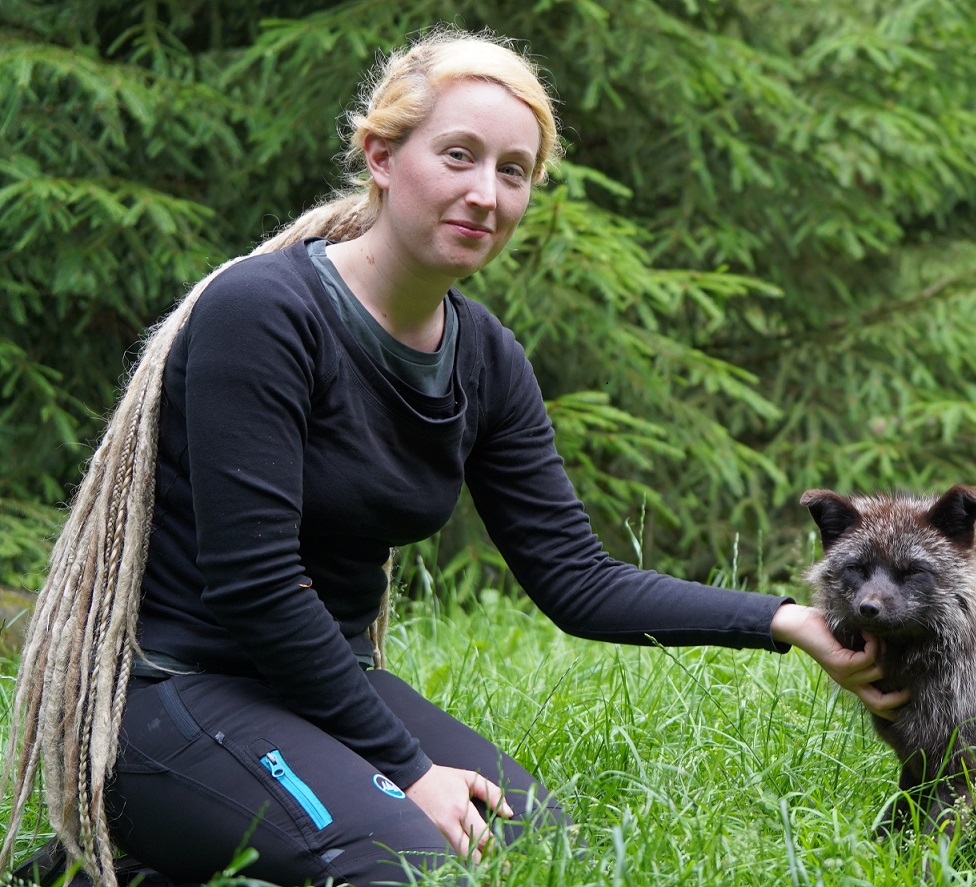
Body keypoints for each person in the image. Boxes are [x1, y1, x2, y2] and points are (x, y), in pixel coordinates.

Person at [0, 28, 906, 887]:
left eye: (514, 172)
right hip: (181, 696)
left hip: (322, 692)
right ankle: (132, 843)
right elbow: (255, 584)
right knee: (410, 859)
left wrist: (788, 621)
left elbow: (576, 580)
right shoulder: (264, 310)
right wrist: (408, 769)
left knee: (540, 845)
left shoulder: (484, 355)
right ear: (382, 159)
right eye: (459, 155)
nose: (487, 193)